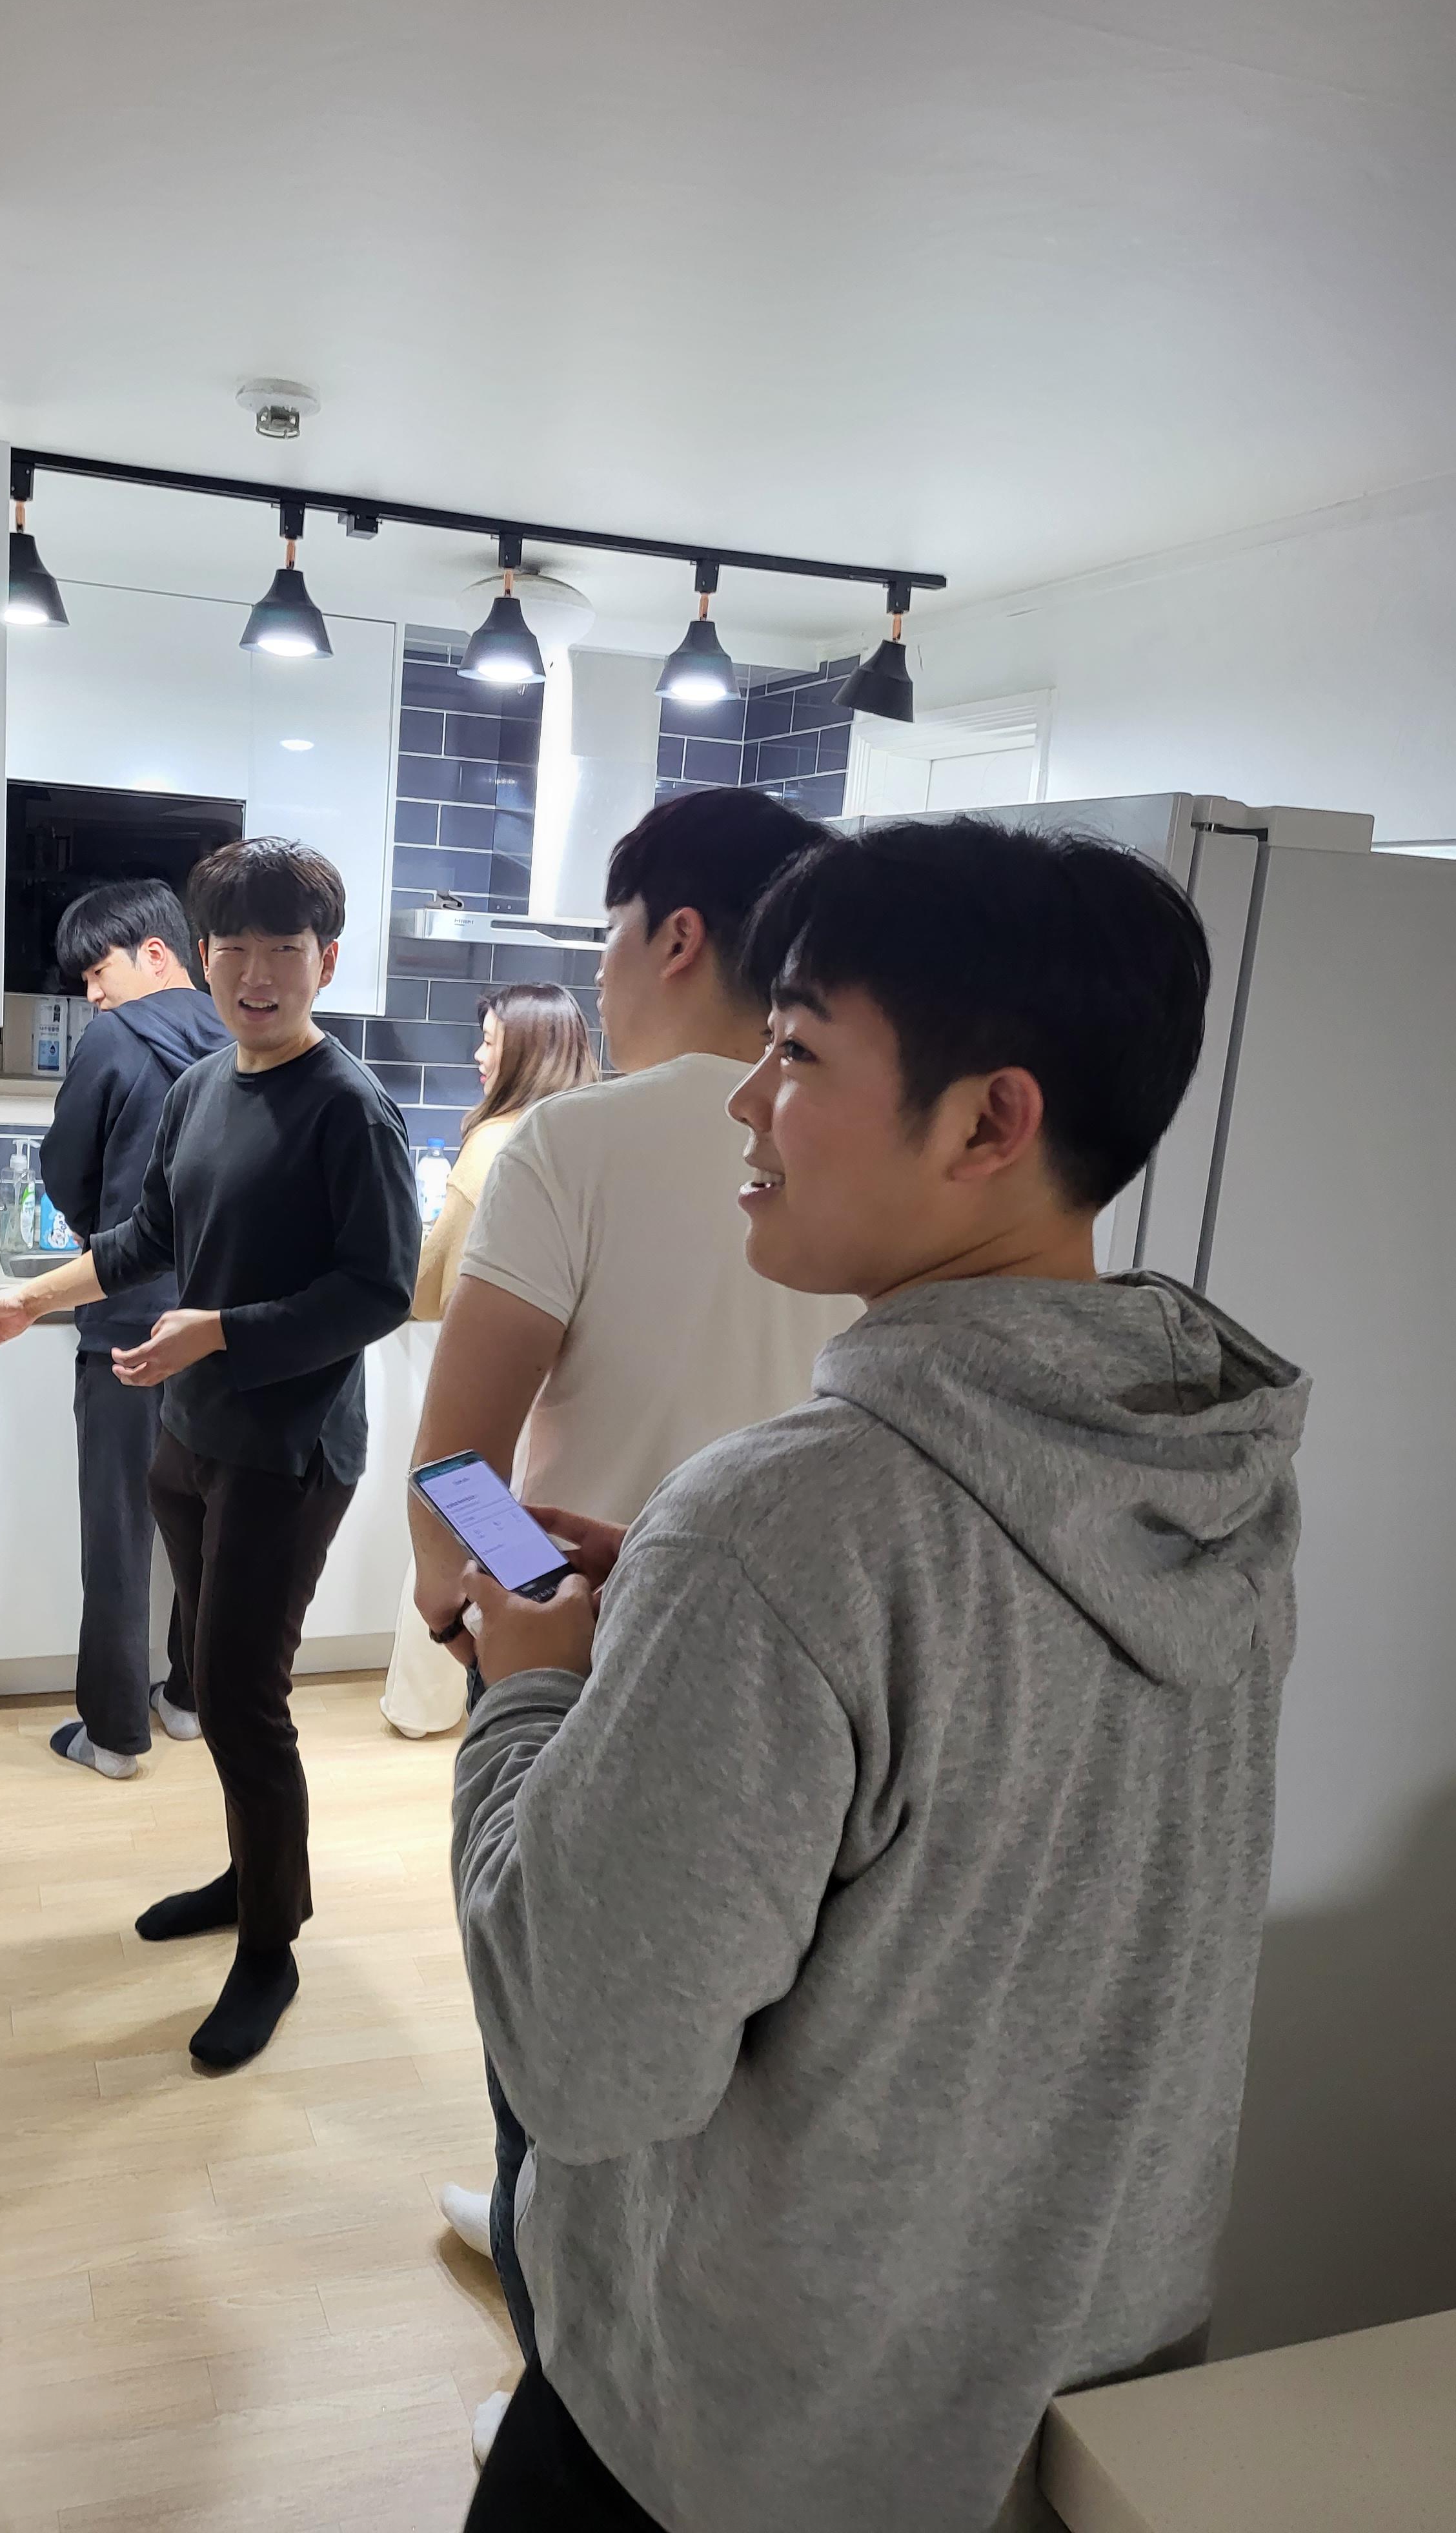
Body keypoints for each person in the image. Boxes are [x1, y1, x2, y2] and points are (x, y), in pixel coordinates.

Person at [450, 816, 1309, 2533]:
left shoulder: (786, 1523)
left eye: (795, 1049)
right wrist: (681, 1622)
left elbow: (584, 2057)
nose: (745, 1101)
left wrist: (535, 1685)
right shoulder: (1213, 1469)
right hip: (1057, 2400)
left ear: (991, 1121)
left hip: (730, 2436)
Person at [409, 788, 858, 2454]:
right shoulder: (863, 1153)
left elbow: (456, 1466)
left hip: (590, 1656)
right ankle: (543, 2242)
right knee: (728, 2050)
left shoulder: (572, 1144)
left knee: (552, 2016)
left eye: (603, 936)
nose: (595, 974)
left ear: (673, 934)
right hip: (816, 1669)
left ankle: (560, 2390)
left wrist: (501, 1607)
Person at [0, 838, 418, 2069]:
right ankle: (245, 1877)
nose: (258, 974)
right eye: (237, 948)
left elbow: (379, 1291)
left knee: (241, 1698)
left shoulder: (351, 1109)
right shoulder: (202, 1086)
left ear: (328, 960)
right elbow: (144, 1239)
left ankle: (271, 1944)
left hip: (289, 1449)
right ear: (202, 957)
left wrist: (221, 1331)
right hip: (191, 1435)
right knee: (215, 1693)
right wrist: (28, 1302)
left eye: (286, 949)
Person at [35, 878, 232, 1780]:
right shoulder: (248, 1035)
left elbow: (65, 1167)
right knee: (209, 1524)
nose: (92, 994)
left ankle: (115, 1734)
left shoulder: (113, 1042)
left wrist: (100, 1237)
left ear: (156, 953)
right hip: (220, 1323)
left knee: (118, 1528)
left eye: (97, 971)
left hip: (124, 1320)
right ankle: (188, 1699)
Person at [381, 982, 597, 1740]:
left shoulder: (498, 1141)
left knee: (453, 1519)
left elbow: (433, 1283)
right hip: (569, 1389)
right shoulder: (591, 1133)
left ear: (529, 1051)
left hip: (498, 1372)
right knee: (531, 1545)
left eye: (491, 1040)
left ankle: (430, 1703)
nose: (478, 1054)